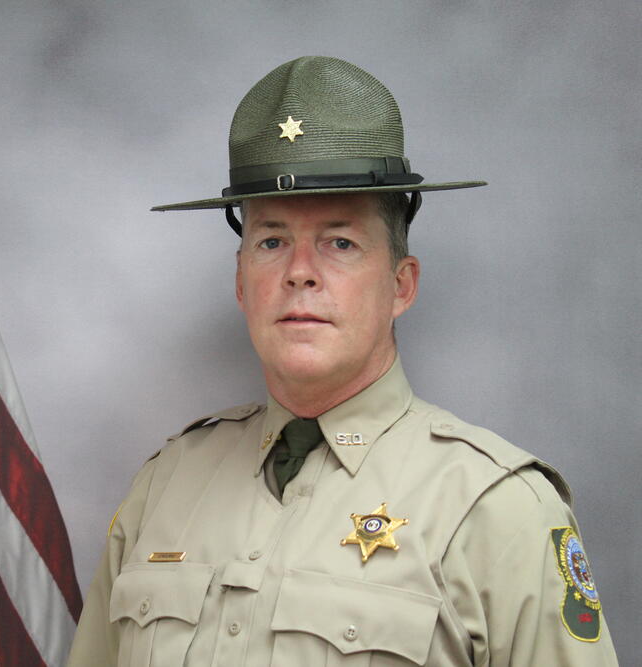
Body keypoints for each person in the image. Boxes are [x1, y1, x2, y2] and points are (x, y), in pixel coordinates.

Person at [67, 57, 618, 666]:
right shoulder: (165, 486)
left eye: (341, 243)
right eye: (272, 241)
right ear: (242, 282)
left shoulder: (496, 508)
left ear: (401, 285)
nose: (300, 273)